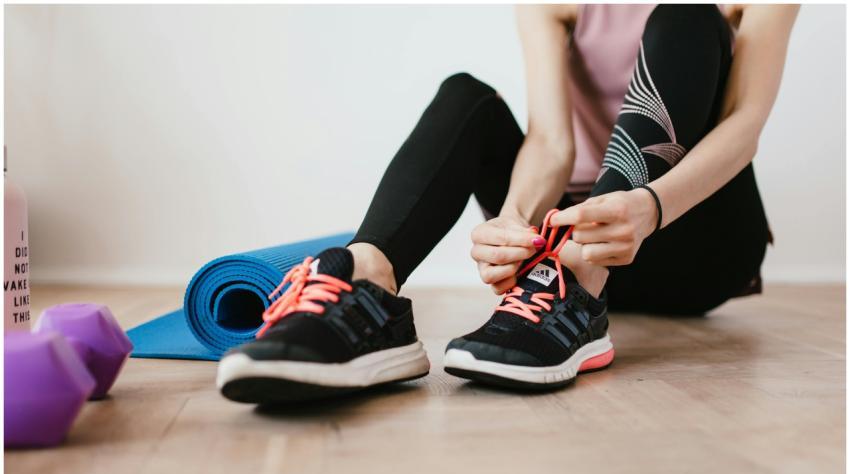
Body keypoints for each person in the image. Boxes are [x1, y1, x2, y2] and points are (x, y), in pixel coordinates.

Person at [216, 4, 799, 403]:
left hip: (690, 233)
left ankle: (575, 283)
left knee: (686, 12)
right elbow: (550, 140)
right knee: (465, 97)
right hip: (568, 229)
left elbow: (744, 126)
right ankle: (368, 287)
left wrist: (647, 206)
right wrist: (514, 219)